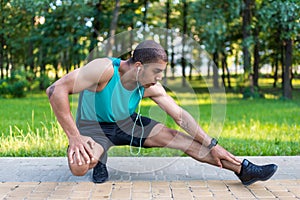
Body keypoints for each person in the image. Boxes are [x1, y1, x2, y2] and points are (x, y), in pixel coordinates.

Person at [46, 40, 277, 186]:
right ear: (139, 67)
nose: (160, 79)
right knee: (78, 168)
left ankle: (243, 170)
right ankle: (99, 161)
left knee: (181, 140)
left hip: (126, 122)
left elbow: (179, 116)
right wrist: (74, 137)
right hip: (94, 127)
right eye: (156, 72)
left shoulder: (150, 86)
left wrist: (212, 144)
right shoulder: (105, 70)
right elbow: (55, 90)